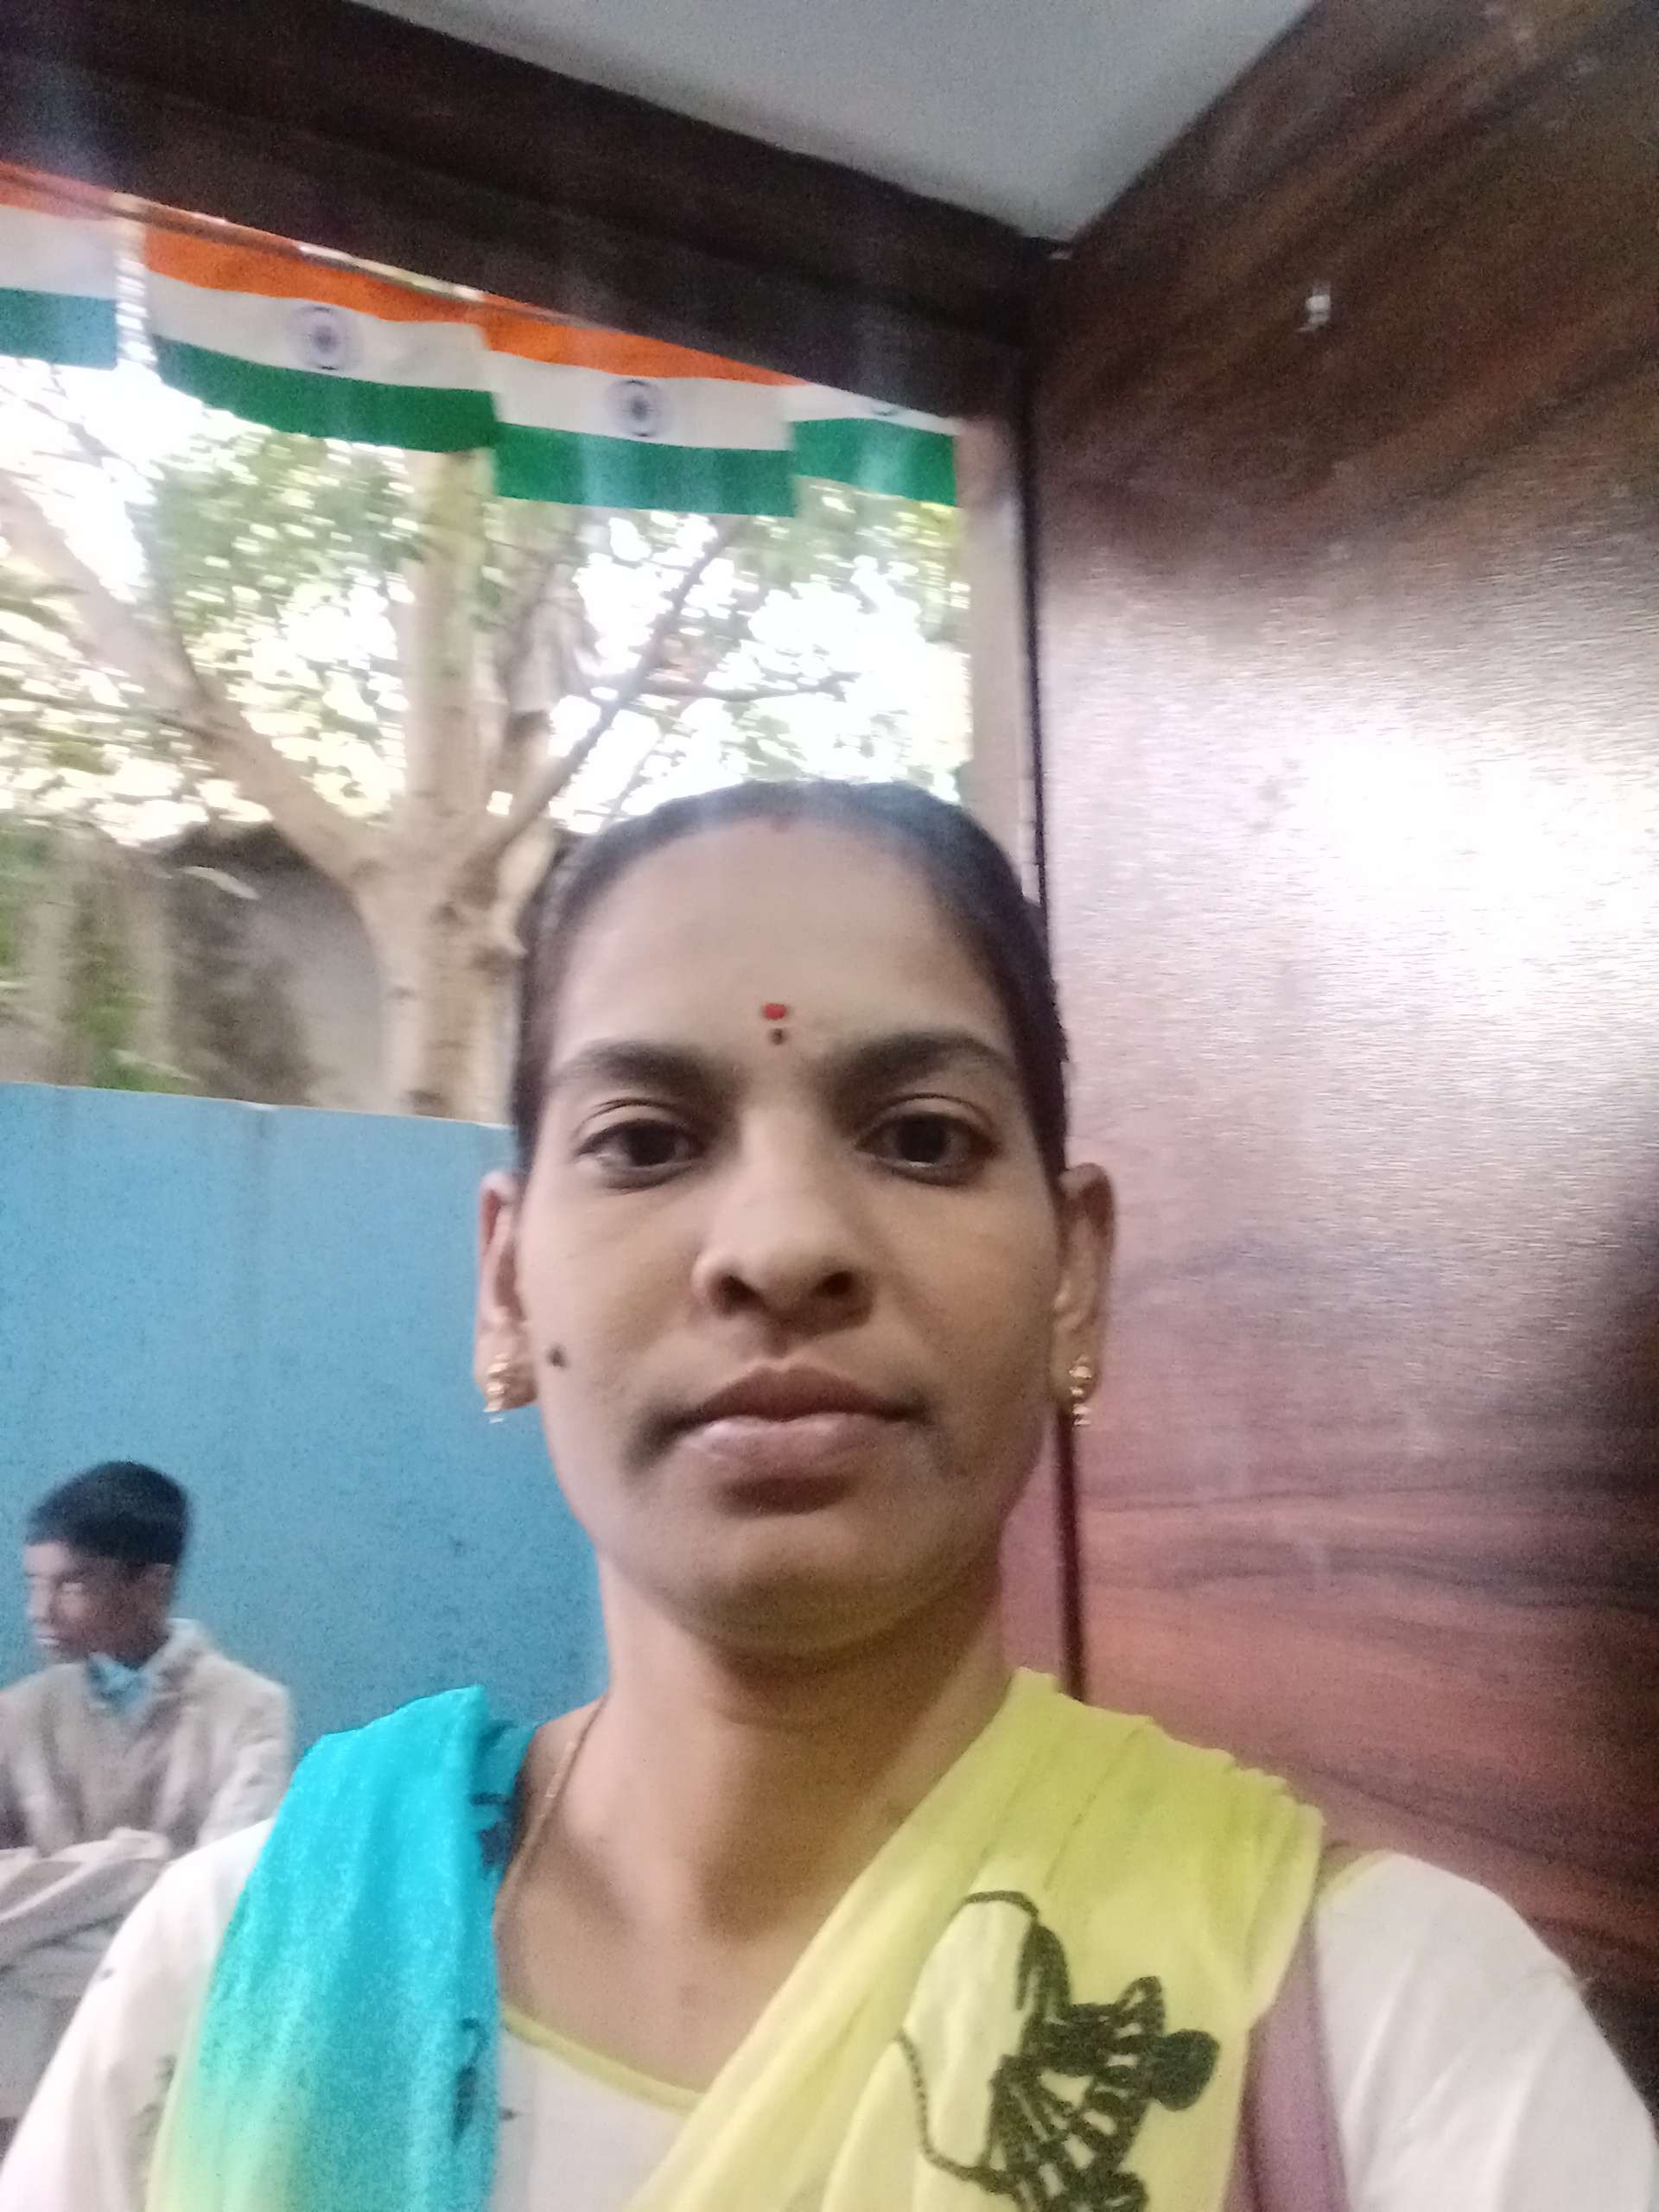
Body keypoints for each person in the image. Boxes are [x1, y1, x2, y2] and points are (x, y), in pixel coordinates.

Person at [3, 781, 1653, 2212]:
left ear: (1074, 1277)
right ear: (504, 1285)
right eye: (648, 1141)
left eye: (922, 1138)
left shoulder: (1393, 2035)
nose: (783, 1245)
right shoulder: (227, 1981)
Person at [0, 1462, 290, 2145]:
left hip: (169, 2066)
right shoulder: (18, 1714)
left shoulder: (251, 1711)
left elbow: (221, 1911)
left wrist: (37, 1948)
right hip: (20, 2078)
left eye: (71, 1584)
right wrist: (138, 1864)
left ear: (150, 1584)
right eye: (33, 1583)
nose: (40, 1610)